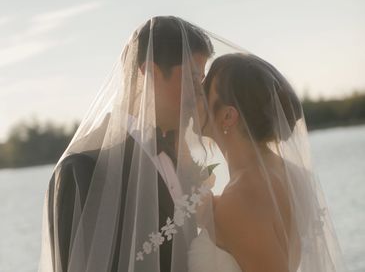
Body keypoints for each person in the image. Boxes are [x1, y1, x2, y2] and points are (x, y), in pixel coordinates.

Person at [38, 16, 213, 272]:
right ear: (150, 74)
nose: (200, 94)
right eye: (193, 79)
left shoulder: (177, 158)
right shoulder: (82, 168)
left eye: (202, 81)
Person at [188, 53, 348, 272]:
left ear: (227, 116)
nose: (194, 96)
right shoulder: (293, 174)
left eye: (204, 90)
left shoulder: (240, 199)